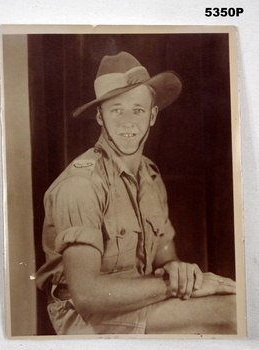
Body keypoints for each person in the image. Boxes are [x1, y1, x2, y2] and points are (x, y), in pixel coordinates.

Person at [36, 51, 236, 335]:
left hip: (140, 302)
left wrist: (179, 272)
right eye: (116, 109)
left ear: (152, 115)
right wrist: (177, 284)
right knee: (233, 313)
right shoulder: (81, 184)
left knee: (236, 302)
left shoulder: (150, 175)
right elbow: (88, 295)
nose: (127, 121)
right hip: (84, 317)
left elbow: (166, 260)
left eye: (138, 109)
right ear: (100, 116)